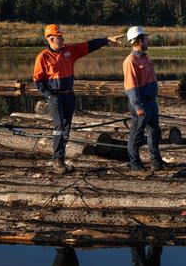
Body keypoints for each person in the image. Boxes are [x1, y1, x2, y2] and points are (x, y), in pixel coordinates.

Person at [33, 24, 123, 173]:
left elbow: (87, 46)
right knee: (59, 128)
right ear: (50, 38)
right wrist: (50, 96)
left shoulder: (69, 51)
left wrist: (106, 40)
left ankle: (61, 159)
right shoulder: (43, 57)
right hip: (55, 97)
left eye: (62, 36)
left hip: (69, 95)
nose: (62, 39)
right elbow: (38, 81)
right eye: (59, 37)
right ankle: (57, 160)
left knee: (66, 129)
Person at [123, 26, 164, 173]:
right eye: (145, 38)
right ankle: (135, 165)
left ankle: (156, 161)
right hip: (141, 104)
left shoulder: (145, 58)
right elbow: (131, 87)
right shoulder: (130, 61)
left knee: (154, 132)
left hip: (151, 102)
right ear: (139, 41)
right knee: (136, 134)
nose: (147, 40)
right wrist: (138, 107)